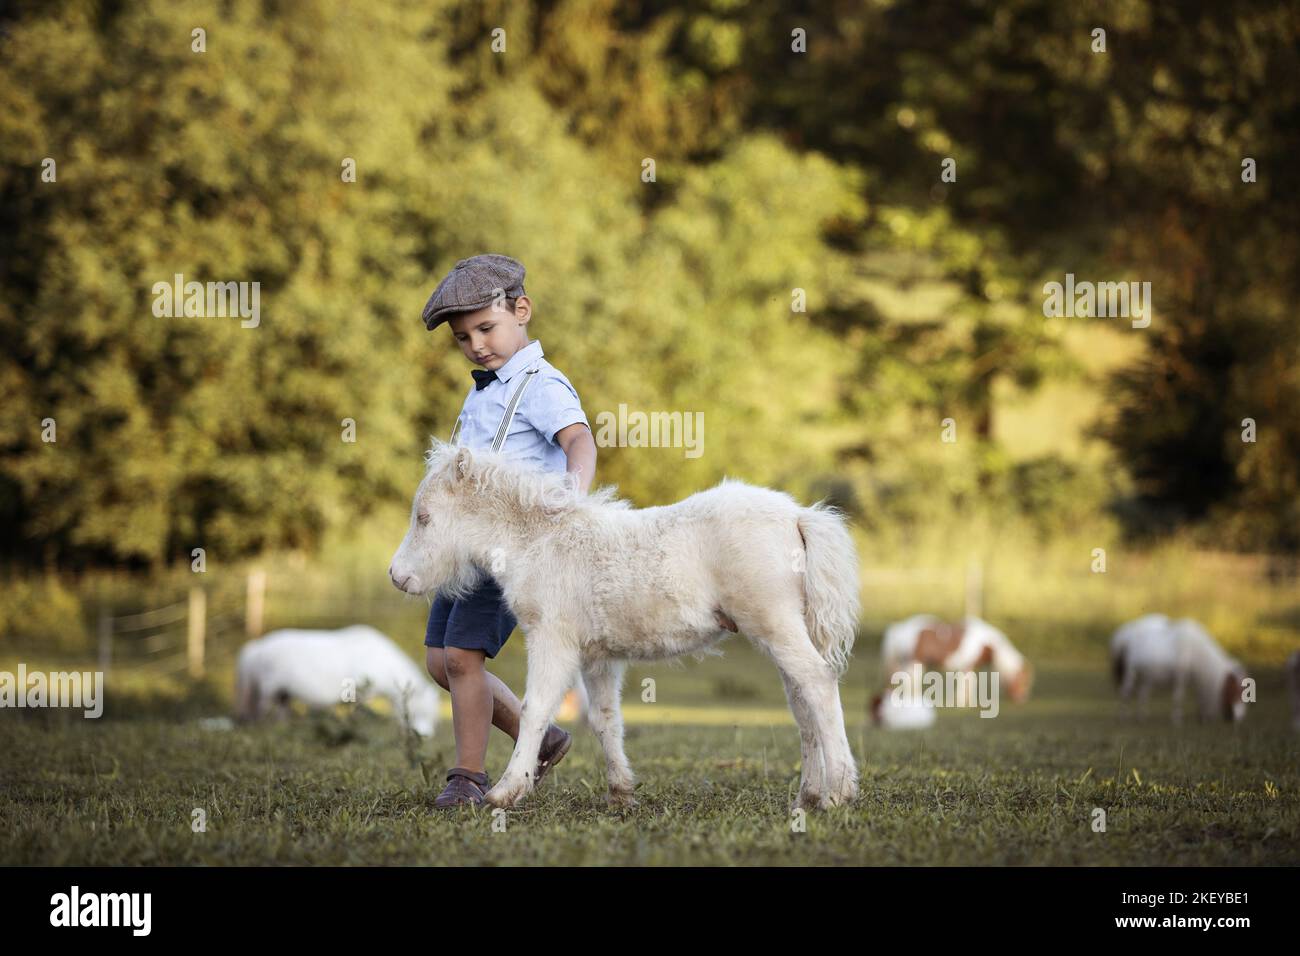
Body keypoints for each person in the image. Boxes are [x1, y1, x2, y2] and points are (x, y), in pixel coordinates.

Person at [419, 253, 598, 809]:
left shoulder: (542, 383)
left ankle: (468, 778)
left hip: (511, 547)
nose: (476, 344)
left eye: (486, 328)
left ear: (521, 310)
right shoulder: (484, 389)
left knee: (463, 658)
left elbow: (580, 441)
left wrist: (571, 498)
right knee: (438, 661)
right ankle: (540, 735)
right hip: (468, 550)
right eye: (463, 337)